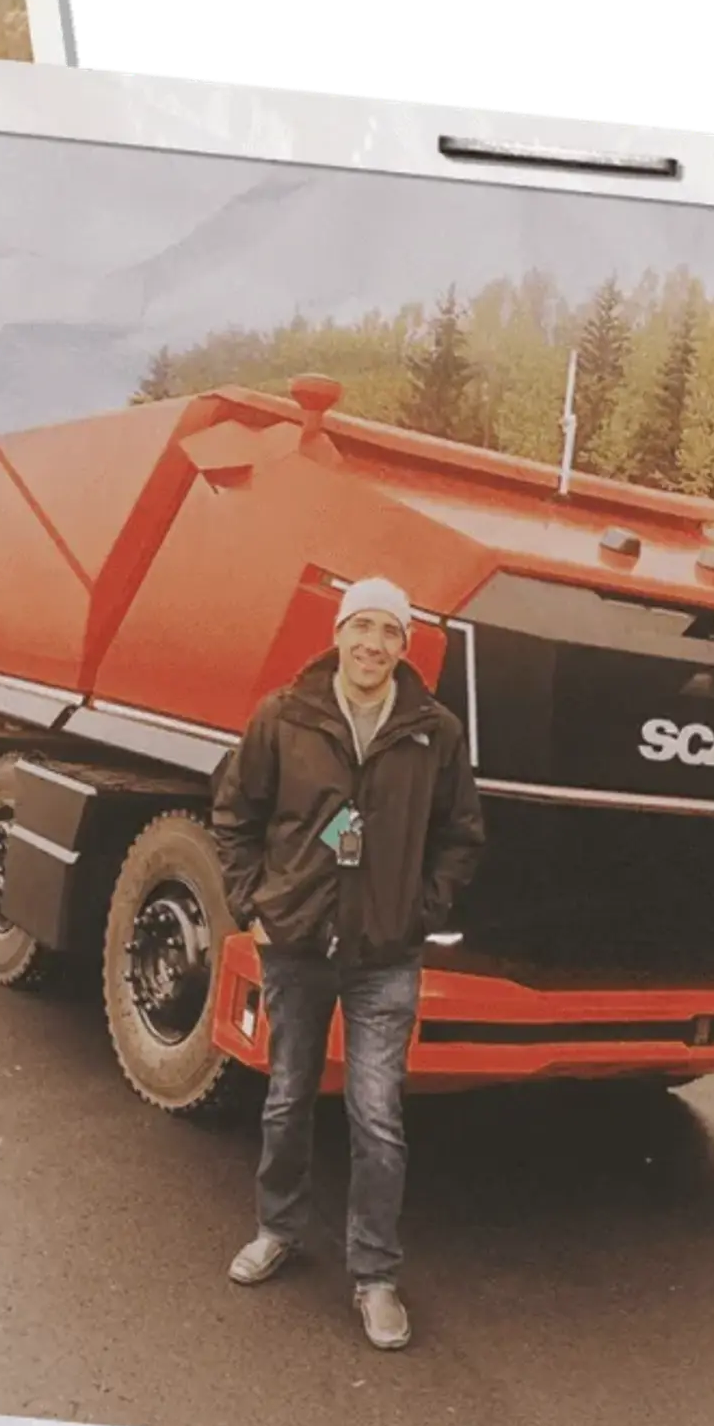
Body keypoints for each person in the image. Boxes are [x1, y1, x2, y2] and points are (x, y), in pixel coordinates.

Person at [212, 579, 487, 1353]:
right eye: (361, 626)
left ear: (405, 645)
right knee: (287, 1095)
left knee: (377, 1116)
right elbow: (235, 813)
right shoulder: (285, 715)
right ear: (338, 632)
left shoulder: (433, 731)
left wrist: (419, 909)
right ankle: (278, 1229)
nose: (373, 643)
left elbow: (462, 835)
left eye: (388, 631)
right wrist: (254, 904)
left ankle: (374, 1274)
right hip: (296, 943)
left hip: (383, 955)